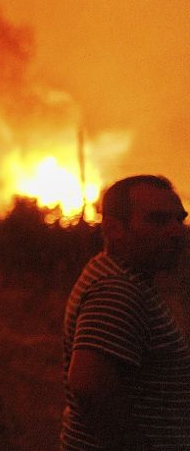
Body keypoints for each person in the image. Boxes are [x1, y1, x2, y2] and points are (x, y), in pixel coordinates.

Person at [61, 175, 190, 450]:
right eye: (158, 220)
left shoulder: (116, 272)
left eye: (179, 219)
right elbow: (89, 385)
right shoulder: (117, 289)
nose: (177, 231)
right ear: (113, 228)